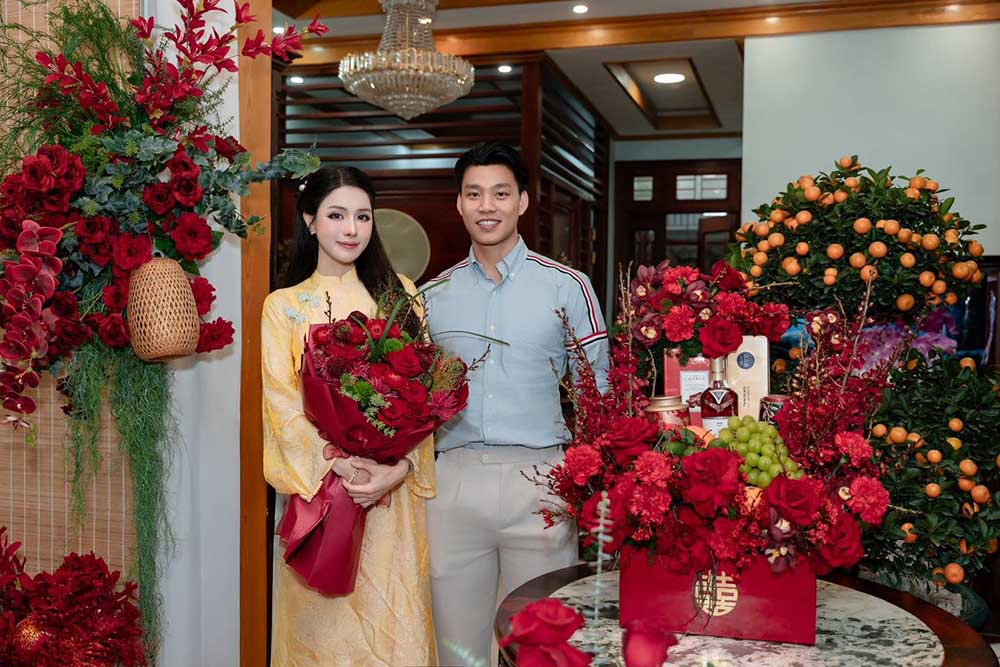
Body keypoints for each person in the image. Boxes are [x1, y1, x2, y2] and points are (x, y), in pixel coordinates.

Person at [424, 142, 610, 665]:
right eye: (475, 194)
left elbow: (599, 392)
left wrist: (589, 482)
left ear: (523, 202)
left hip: (544, 483)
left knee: (542, 646)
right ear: (458, 204)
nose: (488, 206)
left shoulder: (569, 287)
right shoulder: (431, 296)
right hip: (453, 483)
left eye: (501, 193)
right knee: (456, 648)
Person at [261, 166, 436, 666]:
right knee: (322, 639)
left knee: (394, 630)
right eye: (337, 215)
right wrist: (338, 464)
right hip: (324, 497)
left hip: (393, 502)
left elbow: (426, 397)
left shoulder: (400, 294)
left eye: (362, 216)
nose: (352, 229)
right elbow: (281, 405)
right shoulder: (285, 307)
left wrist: (397, 469)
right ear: (311, 220)